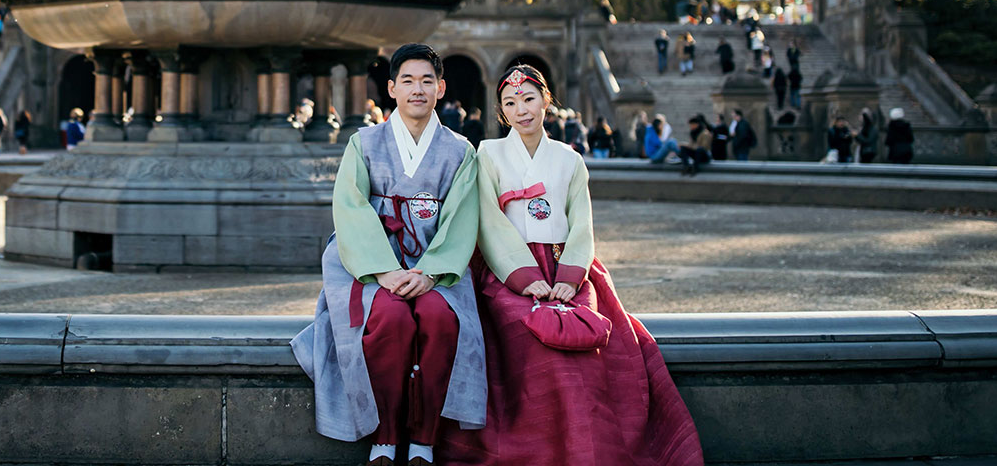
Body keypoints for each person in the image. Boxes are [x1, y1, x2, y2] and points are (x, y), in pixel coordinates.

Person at [439, 64, 703, 465]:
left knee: (594, 347)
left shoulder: (569, 159)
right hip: (509, 272)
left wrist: (571, 278)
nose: (520, 110)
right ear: (501, 111)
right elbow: (489, 221)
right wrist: (523, 278)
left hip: (567, 269)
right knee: (534, 343)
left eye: (529, 99)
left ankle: (591, 449)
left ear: (547, 100)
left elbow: (582, 223)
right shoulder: (488, 154)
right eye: (510, 103)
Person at [292, 43, 484, 466]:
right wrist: (383, 271)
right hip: (370, 267)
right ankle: (386, 436)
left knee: (439, 318)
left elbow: (461, 219)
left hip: (435, 269)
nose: (418, 89)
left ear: (441, 88)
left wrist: (430, 272)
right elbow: (351, 208)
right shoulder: (364, 143)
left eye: (427, 81)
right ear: (392, 89)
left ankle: (424, 440)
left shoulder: (460, 152)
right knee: (391, 319)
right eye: (409, 81)